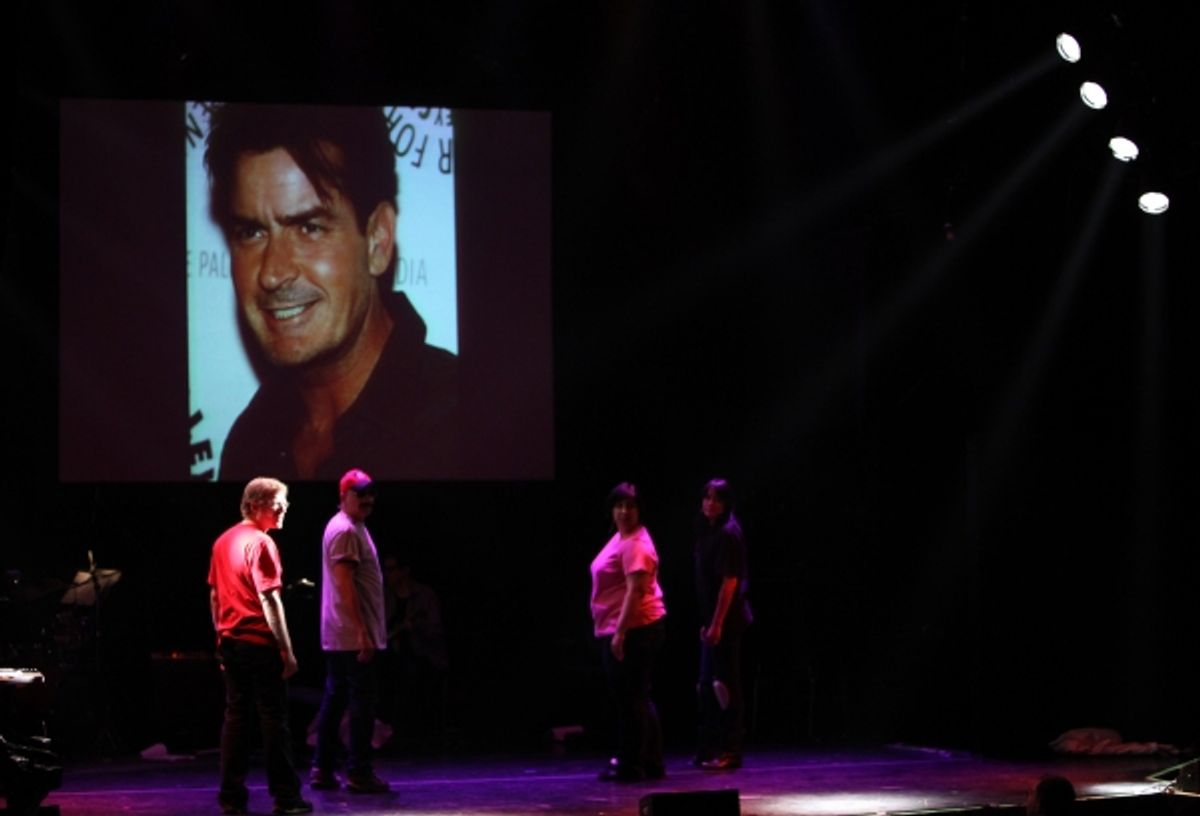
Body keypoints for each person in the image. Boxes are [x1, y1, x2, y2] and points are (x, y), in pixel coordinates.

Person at [203, 103, 459, 482]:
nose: (273, 273)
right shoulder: (250, 443)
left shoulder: (466, 426)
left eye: (309, 228)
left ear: (377, 240)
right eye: (252, 232)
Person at [208, 477, 312, 815]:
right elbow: (269, 599)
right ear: (255, 505)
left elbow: (214, 595)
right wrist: (287, 650)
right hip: (257, 642)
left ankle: (231, 796)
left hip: (231, 642)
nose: (284, 508)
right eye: (277, 502)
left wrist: (220, 637)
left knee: (236, 718)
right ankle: (286, 797)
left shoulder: (223, 541)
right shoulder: (261, 543)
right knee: (273, 720)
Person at [310, 469, 391, 794]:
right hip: (350, 635)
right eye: (360, 494)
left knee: (336, 698)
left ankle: (322, 768)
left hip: (342, 633)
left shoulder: (351, 526)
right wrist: (361, 632)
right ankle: (358, 770)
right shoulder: (345, 530)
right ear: (343, 495)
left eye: (371, 494)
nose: (368, 500)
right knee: (360, 702)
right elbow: (344, 584)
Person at [589, 482, 667, 782]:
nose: (624, 511)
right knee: (636, 697)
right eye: (619, 505)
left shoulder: (636, 544)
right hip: (626, 626)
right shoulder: (621, 537)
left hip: (636, 628)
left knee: (631, 699)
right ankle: (648, 762)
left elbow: (635, 592)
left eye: (631, 506)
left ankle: (632, 765)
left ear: (640, 510)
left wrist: (620, 634)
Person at [692, 478, 753, 771]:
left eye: (716, 498)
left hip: (727, 621)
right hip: (711, 620)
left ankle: (732, 750)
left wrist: (717, 624)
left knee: (725, 684)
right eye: (706, 498)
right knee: (706, 685)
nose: (709, 503)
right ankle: (710, 747)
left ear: (727, 502)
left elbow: (730, 582)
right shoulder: (709, 532)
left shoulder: (729, 533)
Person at [380, 549, 449, 751]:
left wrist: (415, 628)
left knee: (415, 675)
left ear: (405, 571)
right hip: (393, 656)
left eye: (392, 569)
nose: (388, 574)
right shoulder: (386, 597)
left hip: (423, 656)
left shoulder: (424, 596)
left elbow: (436, 630)